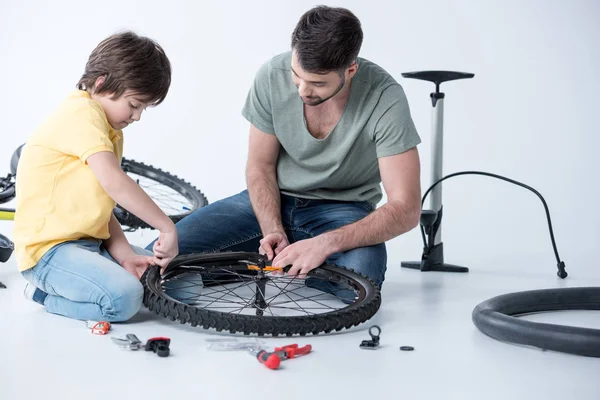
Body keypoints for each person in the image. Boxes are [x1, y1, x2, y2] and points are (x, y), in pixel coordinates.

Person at [148, 5, 422, 294]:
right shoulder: (271, 75)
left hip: (344, 211)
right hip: (271, 201)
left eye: (317, 83)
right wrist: (272, 229)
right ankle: (258, 263)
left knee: (359, 286)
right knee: (157, 257)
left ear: (350, 70)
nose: (303, 90)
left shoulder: (385, 97)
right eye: (297, 76)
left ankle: (243, 266)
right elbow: (259, 166)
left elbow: (406, 208)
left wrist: (326, 243)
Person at [14, 31, 178, 322]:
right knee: (125, 299)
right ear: (102, 83)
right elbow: (115, 183)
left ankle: (105, 282)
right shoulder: (81, 114)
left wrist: (126, 256)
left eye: (143, 108)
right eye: (134, 104)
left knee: (179, 284)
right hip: (49, 253)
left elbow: (103, 209)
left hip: (92, 245)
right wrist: (166, 226)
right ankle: (44, 295)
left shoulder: (110, 129)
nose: (137, 116)